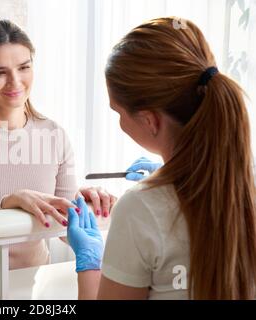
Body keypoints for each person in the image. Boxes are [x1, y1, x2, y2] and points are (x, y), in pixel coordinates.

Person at [67, 17, 256, 300]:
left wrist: (89, 265)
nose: (119, 121)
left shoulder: (139, 210)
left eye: (118, 112)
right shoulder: (245, 185)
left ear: (150, 120)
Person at [0, 20, 118, 277]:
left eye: (24, 68)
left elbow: (65, 232)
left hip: (36, 283)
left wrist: (88, 206)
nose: (15, 82)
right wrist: (9, 201)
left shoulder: (54, 135)